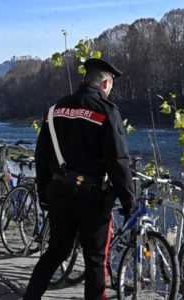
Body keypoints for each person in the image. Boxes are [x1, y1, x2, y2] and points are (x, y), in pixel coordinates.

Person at [24, 58, 135, 300]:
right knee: (95, 259)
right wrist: (128, 201)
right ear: (105, 83)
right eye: (111, 85)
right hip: (90, 198)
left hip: (57, 192)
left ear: (85, 79)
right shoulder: (106, 111)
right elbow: (118, 161)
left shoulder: (55, 110)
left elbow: (41, 156)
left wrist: (43, 193)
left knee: (55, 252)